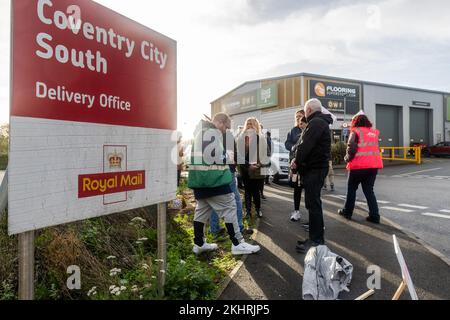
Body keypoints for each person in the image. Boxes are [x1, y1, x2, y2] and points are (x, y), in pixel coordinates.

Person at [188, 113, 261, 255]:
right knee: (230, 208)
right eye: (226, 127)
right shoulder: (211, 133)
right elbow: (216, 156)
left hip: (200, 182)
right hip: (215, 181)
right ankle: (238, 243)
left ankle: (199, 243)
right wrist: (228, 157)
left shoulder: (200, 133)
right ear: (220, 123)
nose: (226, 131)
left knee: (201, 212)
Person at [293, 99, 333, 253]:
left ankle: (316, 241)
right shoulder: (319, 122)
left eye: (305, 111)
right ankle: (315, 238)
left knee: (313, 204)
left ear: (309, 109)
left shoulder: (316, 123)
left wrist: (296, 161)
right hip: (316, 168)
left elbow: (305, 146)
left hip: (314, 169)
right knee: (313, 203)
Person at [338, 111, 383, 224]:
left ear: (355, 121)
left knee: (351, 189)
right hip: (373, 166)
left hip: (358, 166)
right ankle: (374, 216)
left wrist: (347, 158)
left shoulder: (355, 131)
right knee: (369, 191)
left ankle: (347, 212)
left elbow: (351, 148)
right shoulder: (373, 133)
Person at [209, 129, 254, 240]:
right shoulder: (224, 136)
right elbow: (232, 156)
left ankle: (215, 229)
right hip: (226, 173)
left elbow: (233, 155)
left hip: (218, 173)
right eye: (227, 124)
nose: (229, 127)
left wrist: (247, 164)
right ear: (221, 123)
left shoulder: (211, 134)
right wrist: (247, 165)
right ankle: (238, 228)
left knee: (216, 201)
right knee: (236, 201)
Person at [238, 117, 269, 219]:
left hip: (257, 168)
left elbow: (266, 154)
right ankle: (248, 211)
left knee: (256, 190)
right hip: (245, 168)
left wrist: (260, 164)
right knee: (247, 190)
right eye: (248, 124)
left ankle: (258, 209)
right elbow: (238, 155)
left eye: (252, 124)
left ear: (256, 126)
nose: (250, 126)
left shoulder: (261, 138)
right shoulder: (241, 138)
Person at [289, 116, 308, 222]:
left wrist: (296, 160)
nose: (300, 125)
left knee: (310, 194)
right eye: (299, 123)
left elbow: (305, 151)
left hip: (307, 169)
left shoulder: (309, 134)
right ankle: (296, 211)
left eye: (302, 123)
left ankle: (314, 220)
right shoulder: (299, 134)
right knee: (297, 190)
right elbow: (294, 148)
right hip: (298, 169)